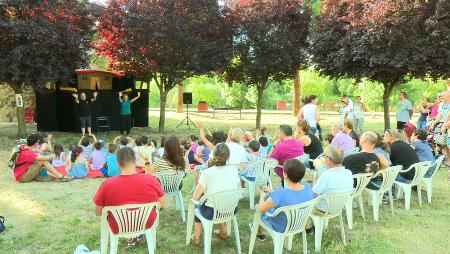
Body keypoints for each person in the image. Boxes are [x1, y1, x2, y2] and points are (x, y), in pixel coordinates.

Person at [93, 147, 165, 246]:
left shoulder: (107, 184)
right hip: (146, 223)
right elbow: (162, 204)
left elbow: (98, 212)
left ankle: (132, 236)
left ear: (118, 163)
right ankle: (136, 235)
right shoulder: (152, 180)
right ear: (135, 161)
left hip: (118, 226)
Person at [192, 144, 241, 245]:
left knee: (198, 204)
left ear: (213, 155)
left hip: (212, 212)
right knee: (219, 200)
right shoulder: (234, 170)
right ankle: (223, 231)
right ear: (228, 156)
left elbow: (195, 197)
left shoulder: (206, 173)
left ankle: (196, 237)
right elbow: (239, 191)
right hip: (231, 209)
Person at [253, 159, 314, 241]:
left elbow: (261, 209)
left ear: (285, 175)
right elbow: (292, 196)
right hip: (299, 224)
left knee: (258, 211)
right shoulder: (308, 188)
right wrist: (273, 191)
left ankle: (260, 234)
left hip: (281, 227)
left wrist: (262, 196)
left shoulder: (280, 193)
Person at [312, 146, 353, 212]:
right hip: (340, 206)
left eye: (325, 155)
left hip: (324, 209)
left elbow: (314, 193)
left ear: (328, 159)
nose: (324, 157)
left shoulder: (326, 175)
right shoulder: (349, 172)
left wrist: (314, 180)